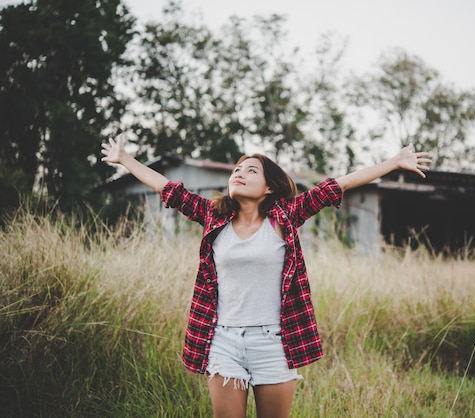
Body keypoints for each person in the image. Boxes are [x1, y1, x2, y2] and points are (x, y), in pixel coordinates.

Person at [101, 134, 431, 418]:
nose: (239, 174)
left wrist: (394, 162)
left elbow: (338, 184)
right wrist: (125, 158)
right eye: (236, 170)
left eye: (250, 170)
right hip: (224, 342)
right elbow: (167, 188)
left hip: (274, 343)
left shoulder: (285, 216)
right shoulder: (212, 217)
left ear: (269, 187)